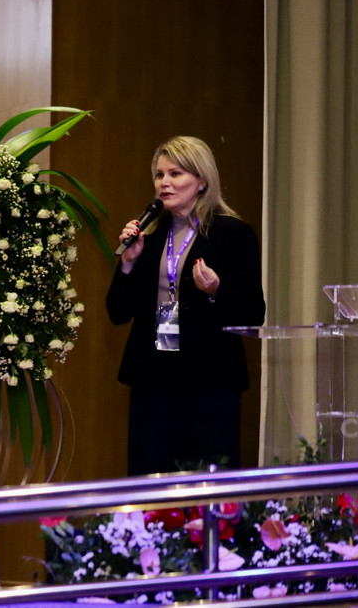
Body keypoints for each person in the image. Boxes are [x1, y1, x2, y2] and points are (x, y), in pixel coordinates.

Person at [106, 136, 265, 475]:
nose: (164, 183)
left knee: (205, 482)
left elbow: (254, 312)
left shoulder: (233, 234)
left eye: (175, 174)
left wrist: (216, 290)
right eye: (159, 175)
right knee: (150, 480)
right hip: (153, 380)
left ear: (202, 181)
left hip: (209, 383)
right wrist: (128, 264)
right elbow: (117, 312)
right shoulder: (148, 234)